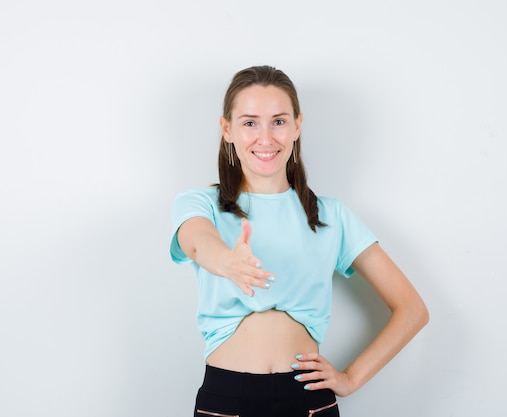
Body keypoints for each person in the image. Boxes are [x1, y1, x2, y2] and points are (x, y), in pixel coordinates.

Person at [170, 65, 429, 417]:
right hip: (226, 396)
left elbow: (412, 310)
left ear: (297, 126)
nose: (266, 137)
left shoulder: (331, 216)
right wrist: (227, 262)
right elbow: (197, 241)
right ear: (227, 129)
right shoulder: (201, 204)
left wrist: (350, 379)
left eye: (278, 121)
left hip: (307, 399)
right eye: (249, 122)